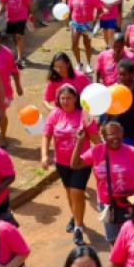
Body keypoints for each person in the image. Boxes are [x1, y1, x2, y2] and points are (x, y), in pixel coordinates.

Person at [42, 84, 99, 244]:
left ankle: (78, 228)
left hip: (82, 162)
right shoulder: (54, 114)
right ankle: (75, 216)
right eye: (62, 98)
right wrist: (44, 155)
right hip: (62, 162)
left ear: (76, 99)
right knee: (69, 192)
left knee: (77, 192)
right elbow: (46, 135)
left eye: (69, 98)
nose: (65, 101)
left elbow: (95, 139)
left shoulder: (85, 115)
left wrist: (105, 153)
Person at [78, 121, 134, 243]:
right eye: (111, 134)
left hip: (131, 204)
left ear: (122, 134)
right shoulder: (97, 151)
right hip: (108, 205)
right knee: (114, 241)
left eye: (118, 133)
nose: (115, 137)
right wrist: (79, 142)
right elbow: (75, 165)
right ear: (104, 137)